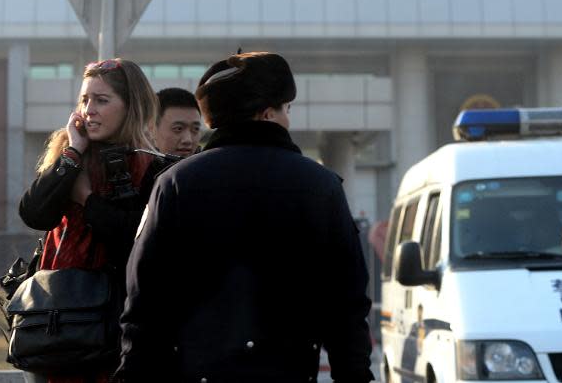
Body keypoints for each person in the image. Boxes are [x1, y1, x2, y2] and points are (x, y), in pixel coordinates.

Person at [116, 52, 374, 382]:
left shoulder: (175, 184)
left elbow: (144, 300)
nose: (288, 119)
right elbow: (346, 305)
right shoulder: (320, 186)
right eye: (287, 109)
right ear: (267, 114)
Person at [18, 58, 169, 383]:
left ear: (131, 107)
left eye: (102, 100)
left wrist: (87, 199)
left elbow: (133, 240)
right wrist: (72, 151)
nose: (89, 110)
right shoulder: (71, 154)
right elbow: (34, 213)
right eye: (85, 99)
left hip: (108, 323)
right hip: (53, 315)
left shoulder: (150, 166)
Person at [154, 87, 202, 157]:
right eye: (178, 128)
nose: (188, 140)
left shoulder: (212, 165)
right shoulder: (135, 166)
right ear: (152, 130)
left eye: (196, 129)